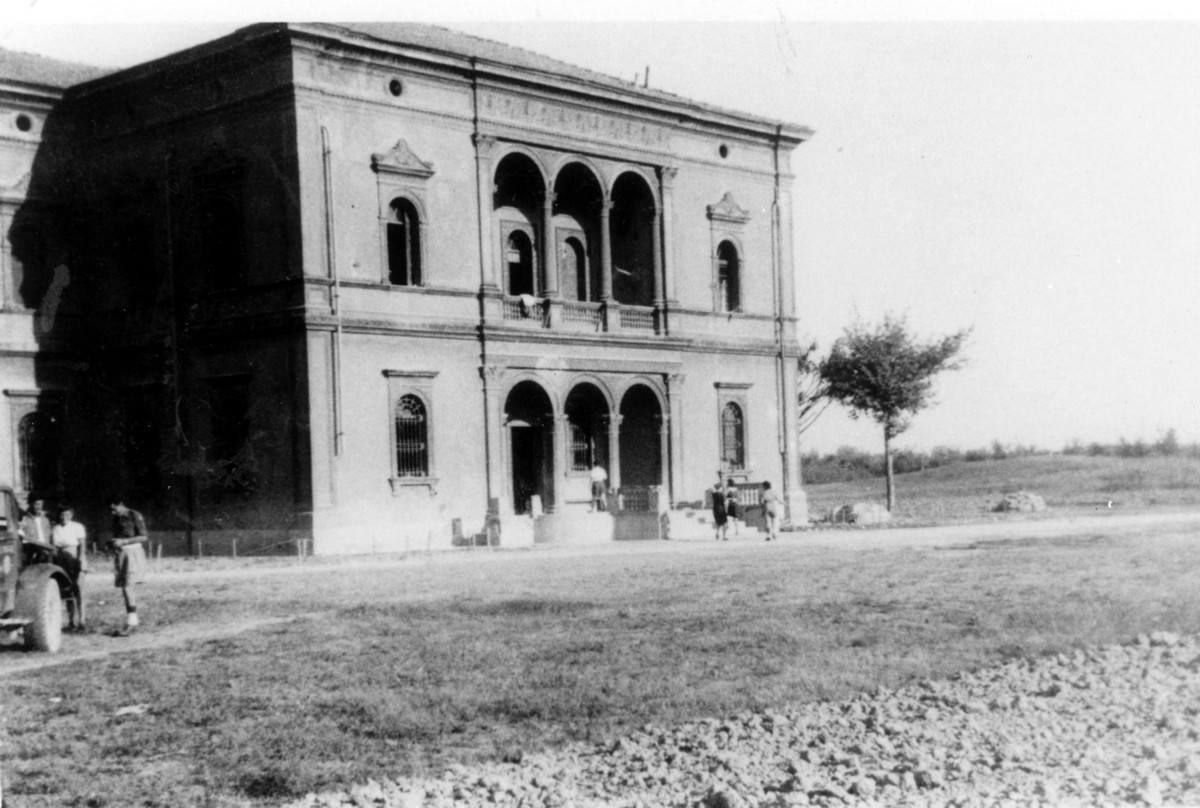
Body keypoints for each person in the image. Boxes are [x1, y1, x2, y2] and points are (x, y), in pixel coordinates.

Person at [108, 496, 148, 637]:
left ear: (121, 504)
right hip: (121, 555)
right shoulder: (116, 518)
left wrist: (124, 542)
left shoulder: (134, 515)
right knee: (125, 588)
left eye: (114, 509)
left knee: (127, 587)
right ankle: (132, 620)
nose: (113, 513)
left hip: (133, 553)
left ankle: (132, 622)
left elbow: (143, 536)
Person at [51, 505, 86, 630]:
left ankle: (82, 621)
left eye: (67, 515)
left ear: (71, 515)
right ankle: (71, 622)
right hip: (62, 557)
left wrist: (81, 558)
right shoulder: (56, 528)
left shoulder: (77, 526)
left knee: (78, 588)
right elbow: (55, 547)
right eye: (62, 515)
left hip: (74, 554)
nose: (64, 517)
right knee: (67, 589)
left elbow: (82, 544)